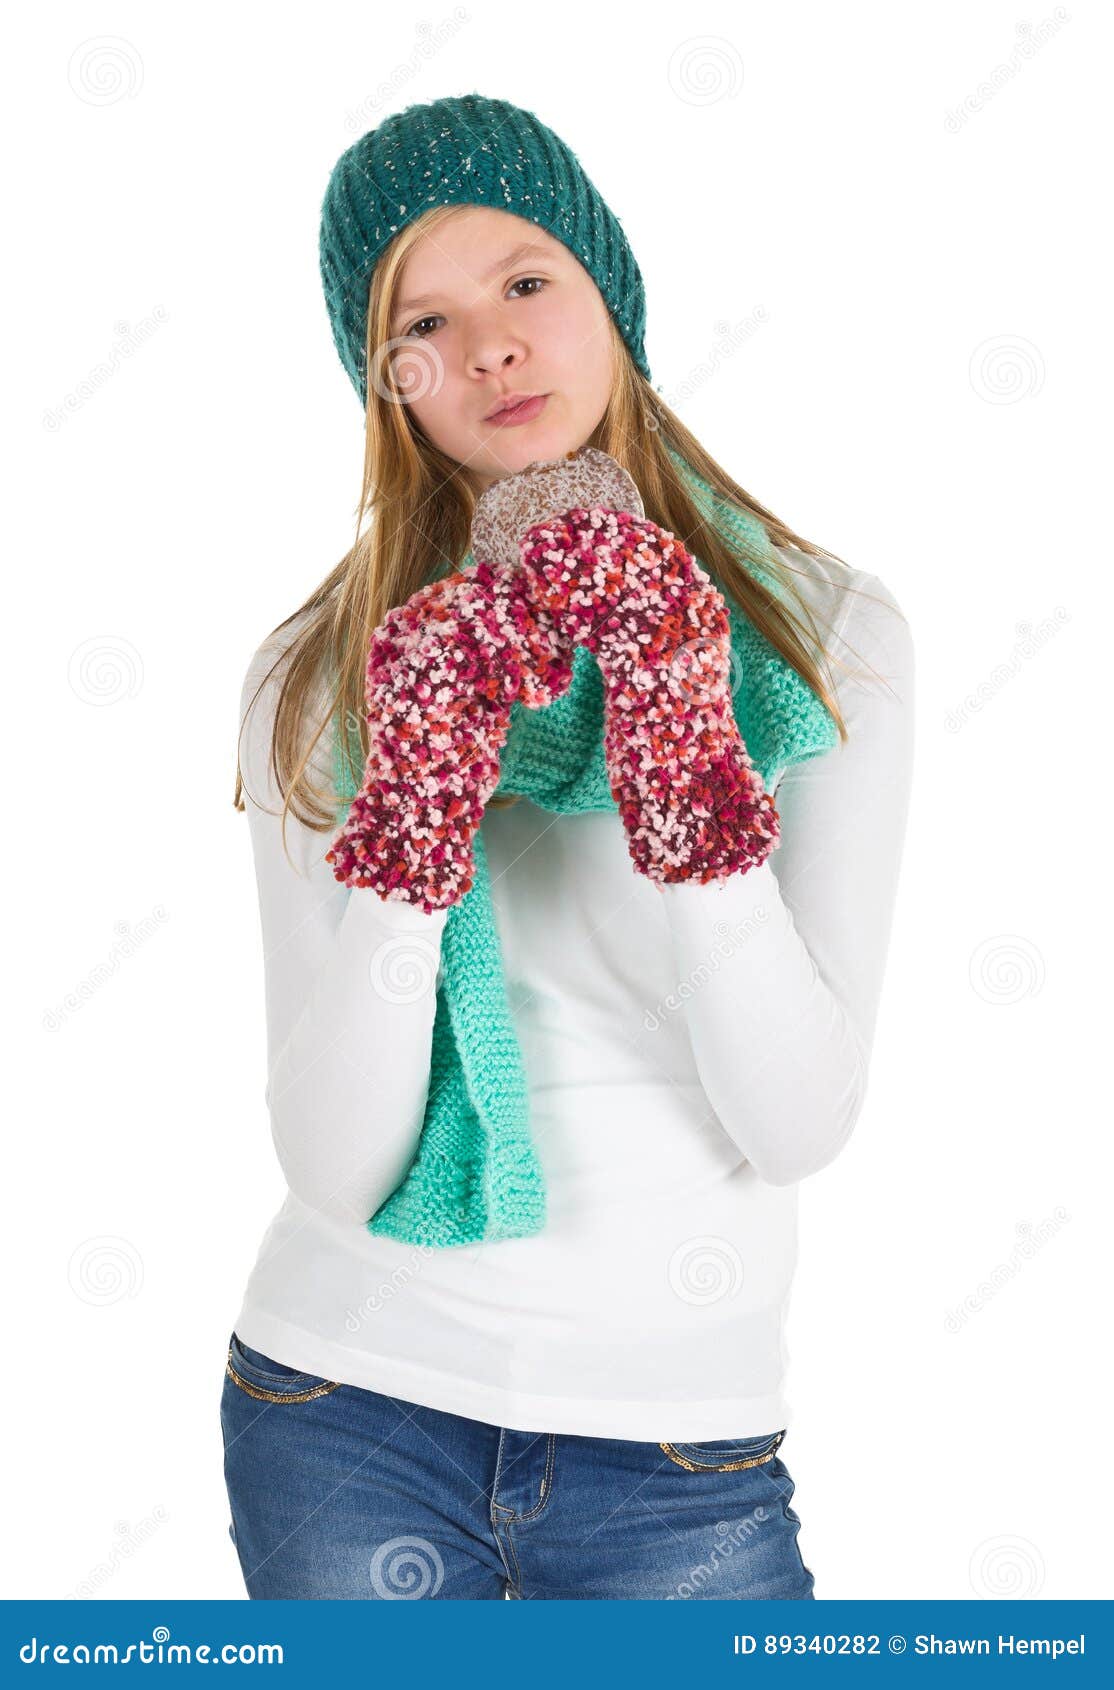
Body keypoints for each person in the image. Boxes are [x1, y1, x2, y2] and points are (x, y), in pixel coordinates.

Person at [223, 92, 915, 1601]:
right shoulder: (318, 676)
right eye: (427, 318)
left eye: (528, 280)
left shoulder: (817, 637)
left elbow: (797, 1123)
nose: (491, 347)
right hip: (343, 1410)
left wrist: (681, 748)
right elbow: (333, 1163)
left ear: (609, 293)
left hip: (676, 1455)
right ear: (387, 381)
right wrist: (414, 807)